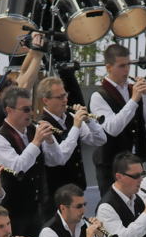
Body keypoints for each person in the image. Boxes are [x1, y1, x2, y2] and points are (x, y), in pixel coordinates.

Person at [0, 87, 57, 237]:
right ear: (9, 110)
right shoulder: (0, 139)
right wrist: (37, 141)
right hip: (14, 212)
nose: (31, 114)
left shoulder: (33, 130)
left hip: (38, 207)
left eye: (31, 109)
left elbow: (57, 160)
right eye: (25, 109)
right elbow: (18, 167)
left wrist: (51, 141)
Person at [90, 44, 146, 194]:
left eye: (128, 64)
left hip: (136, 161)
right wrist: (134, 100)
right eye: (121, 66)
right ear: (109, 67)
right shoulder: (98, 96)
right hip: (111, 165)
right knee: (113, 208)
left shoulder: (132, 89)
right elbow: (112, 129)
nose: (127, 70)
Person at [36, 76, 107, 214]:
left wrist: (89, 121)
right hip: (56, 193)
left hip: (77, 186)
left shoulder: (71, 117)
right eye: (60, 97)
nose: (65, 100)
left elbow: (100, 140)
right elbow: (60, 157)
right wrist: (76, 127)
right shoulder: (42, 124)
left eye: (65, 95)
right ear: (46, 100)